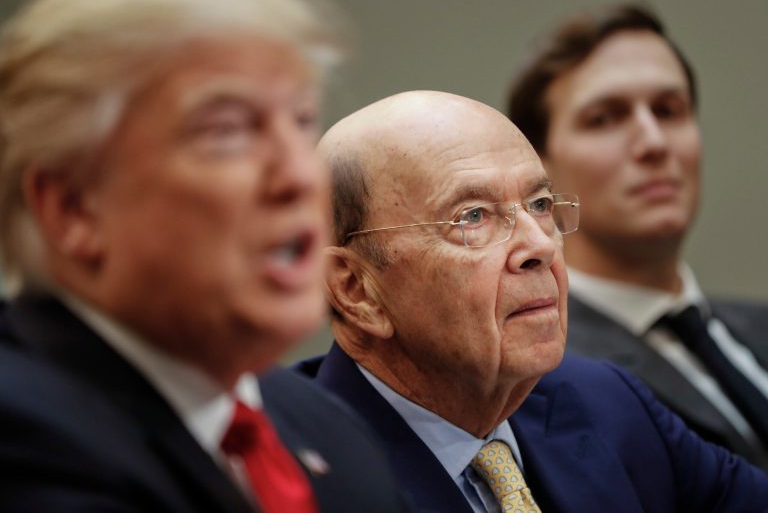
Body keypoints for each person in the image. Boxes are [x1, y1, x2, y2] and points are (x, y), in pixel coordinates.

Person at [0, 0, 413, 511]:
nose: (302, 175)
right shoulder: (23, 444)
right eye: (228, 130)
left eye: (302, 120)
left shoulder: (327, 429)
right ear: (74, 208)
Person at [295, 90, 768, 513]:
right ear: (355, 288)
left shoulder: (610, 404)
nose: (539, 246)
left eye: (540, 204)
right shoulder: (297, 471)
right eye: (473, 216)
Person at [506, 3, 768, 468]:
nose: (653, 142)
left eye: (669, 110)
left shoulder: (757, 325)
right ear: (537, 170)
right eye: (604, 118)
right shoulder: (538, 377)